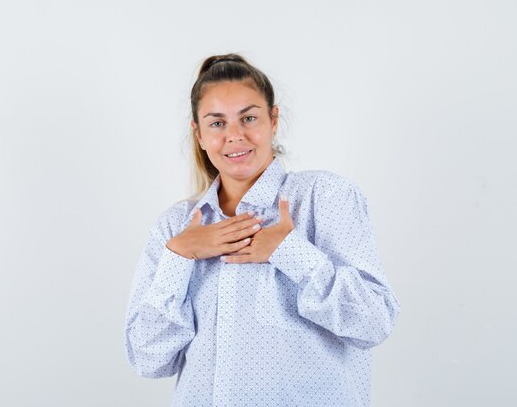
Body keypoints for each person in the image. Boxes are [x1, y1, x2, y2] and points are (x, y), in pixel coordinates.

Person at [123, 53, 401, 407]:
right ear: (199, 133)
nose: (235, 136)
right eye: (217, 123)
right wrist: (180, 258)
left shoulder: (325, 197)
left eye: (249, 117)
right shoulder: (175, 228)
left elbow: (373, 323)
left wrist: (291, 251)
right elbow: (148, 360)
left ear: (273, 119)